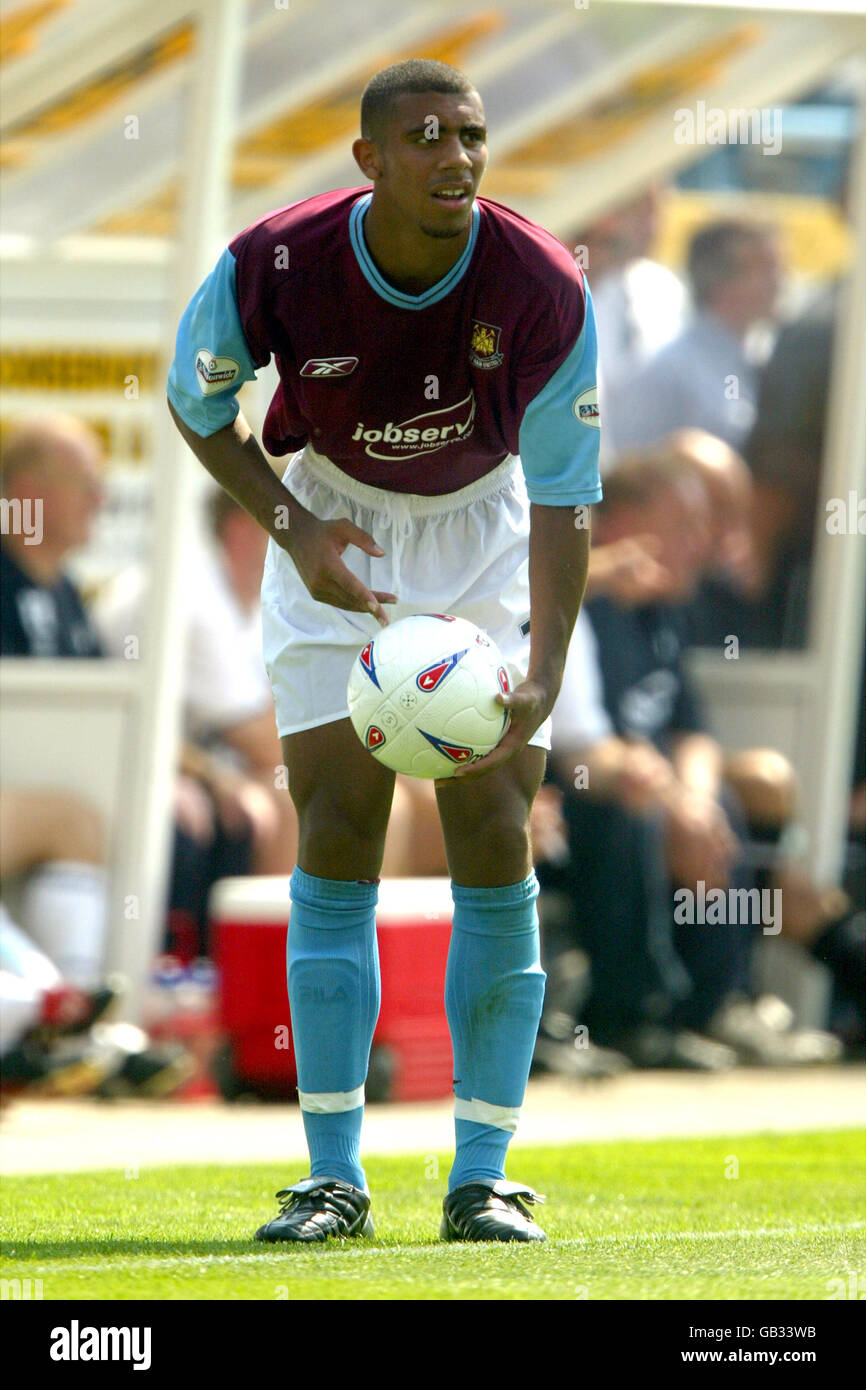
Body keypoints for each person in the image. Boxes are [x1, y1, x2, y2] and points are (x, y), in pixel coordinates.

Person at [167, 59, 601, 1244]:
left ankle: (482, 1174)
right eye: (425, 137)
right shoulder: (278, 258)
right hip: (330, 520)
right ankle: (330, 1176)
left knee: (494, 820)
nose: (456, 157)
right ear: (367, 161)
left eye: (469, 134)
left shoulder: (544, 284)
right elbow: (195, 401)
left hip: (485, 536)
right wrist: (296, 529)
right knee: (339, 825)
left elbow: (566, 498)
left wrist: (549, 669)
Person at [607, 220, 783, 456]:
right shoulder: (667, 368)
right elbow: (630, 465)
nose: (778, 282)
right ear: (721, 279)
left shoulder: (754, 360)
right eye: (764, 269)